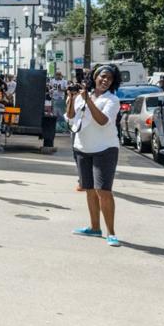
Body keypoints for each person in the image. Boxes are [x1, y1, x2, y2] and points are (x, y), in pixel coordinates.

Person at [67, 65, 122, 246]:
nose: (105, 80)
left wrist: (88, 101)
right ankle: (94, 227)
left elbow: (103, 121)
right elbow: (70, 117)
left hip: (105, 149)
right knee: (89, 190)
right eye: (102, 76)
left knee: (103, 191)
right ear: (95, 77)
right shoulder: (82, 96)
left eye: (109, 78)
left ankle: (111, 233)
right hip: (82, 148)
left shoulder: (112, 100)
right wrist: (71, 98)